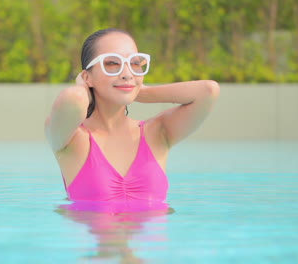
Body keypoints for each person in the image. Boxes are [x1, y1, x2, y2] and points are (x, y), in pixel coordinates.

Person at [45, 28, 219, 209]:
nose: (127, 73)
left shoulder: (158, 133)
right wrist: (85, 86)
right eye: (112, 63)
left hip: (154, 237)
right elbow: (74, 100)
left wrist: (141, 91)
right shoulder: (71, 139)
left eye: (135, 63)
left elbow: (208, 91)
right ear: (87, 77)